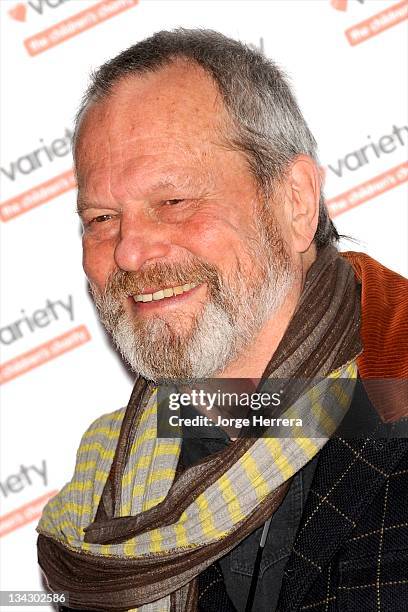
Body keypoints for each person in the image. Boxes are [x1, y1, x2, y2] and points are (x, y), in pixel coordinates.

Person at [37, 29, 408, 612]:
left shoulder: (394, 411)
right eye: (101, 217)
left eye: (174, 202)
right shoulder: (104, 475)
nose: (129, 252)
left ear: (295, 201)